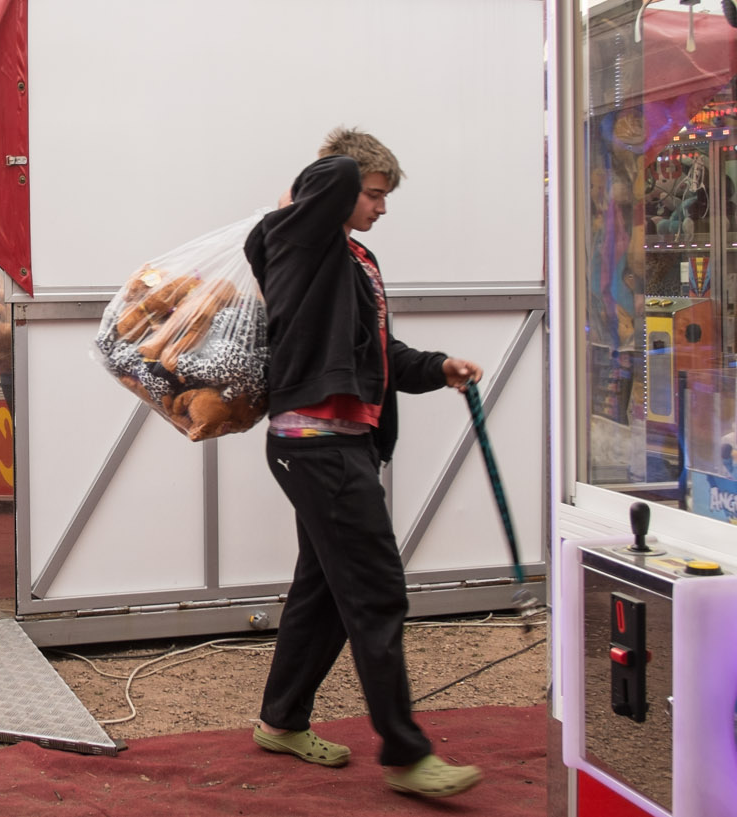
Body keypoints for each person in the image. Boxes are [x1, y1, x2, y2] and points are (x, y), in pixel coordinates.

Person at [243, 127, 485, 798]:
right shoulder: (297, 238)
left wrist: (440, 368)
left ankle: (281, 719)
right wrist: (346, 161)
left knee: (324, 591)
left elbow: (379, 353)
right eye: (373, 193)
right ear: (341, 187)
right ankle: (406, 754)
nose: (380, 206)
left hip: (340, 444)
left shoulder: (355, 259)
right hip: (316, 445)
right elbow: (330, 181)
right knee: (377, 591)